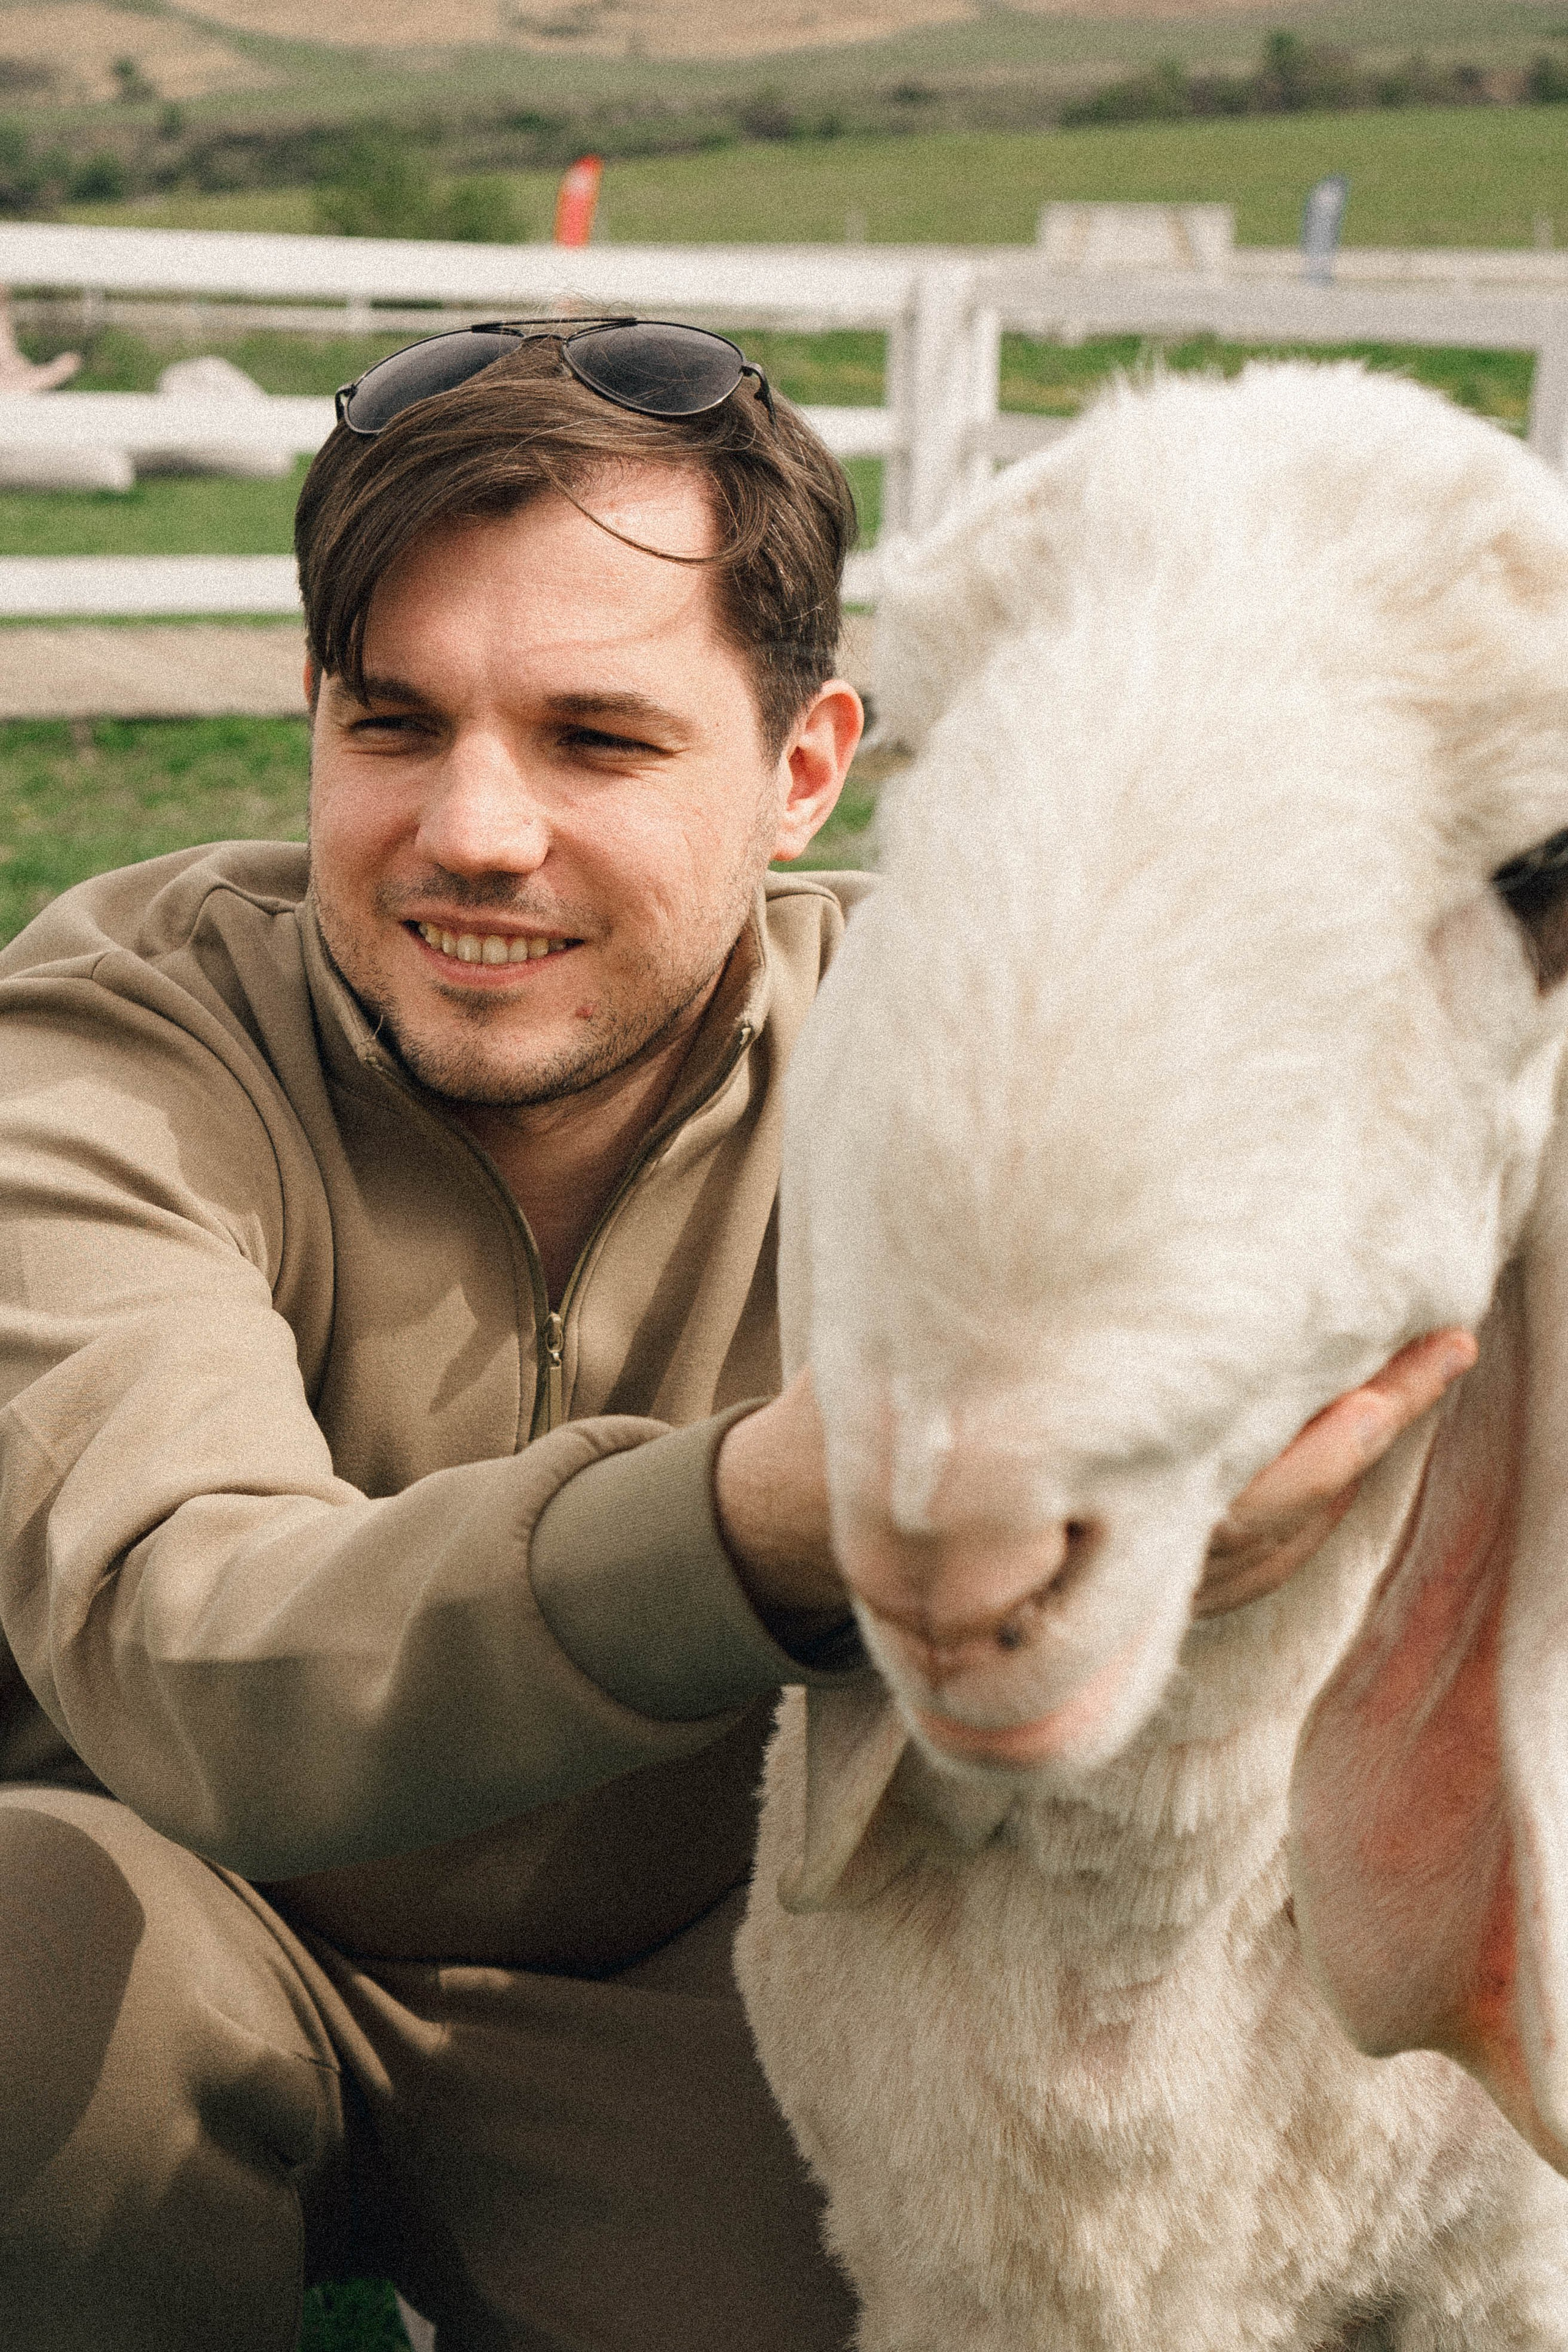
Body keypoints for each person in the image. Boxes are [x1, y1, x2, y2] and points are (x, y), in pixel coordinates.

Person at [0, 319, 1473, 2352]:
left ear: (804, 770)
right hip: (189, 1931)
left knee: (940, 2227)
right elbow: (188, 1645)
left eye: (597, 740)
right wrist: (798, 1509)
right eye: (395, 723)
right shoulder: (117, 1039)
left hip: (718, 1990)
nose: (476, 831)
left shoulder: (967, 1069)